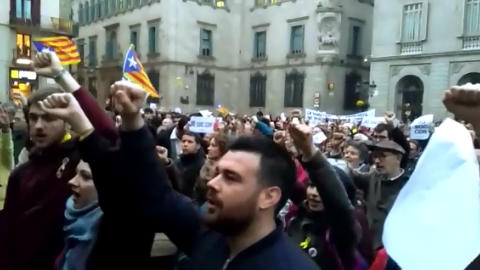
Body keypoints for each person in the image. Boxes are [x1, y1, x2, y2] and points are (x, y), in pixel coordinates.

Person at [100, 81, 321, 270]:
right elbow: (155, 191)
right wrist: (131, 119)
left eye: (231, 177)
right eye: (217, 173)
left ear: (269, 196)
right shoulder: (207, 234)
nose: (213, 183)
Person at [0, 51, 117, 270]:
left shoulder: (79, 159)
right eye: (33, 118)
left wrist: (60, 75)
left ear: (66, 119)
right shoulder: (21, 174)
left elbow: (108, 133)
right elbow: (6, 235)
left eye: (49, 117)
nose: (39, 126)